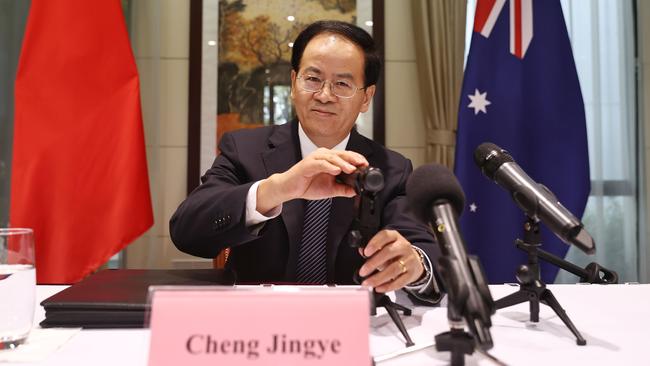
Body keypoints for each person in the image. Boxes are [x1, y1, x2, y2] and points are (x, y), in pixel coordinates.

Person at [170, 20, 441, 303]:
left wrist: (415, 266)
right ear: (293, 83)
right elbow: (186, 232)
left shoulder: (391, 169)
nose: (324, 95)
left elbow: (423, 252)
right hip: (257, 323)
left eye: (342, 84)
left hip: (350, 327)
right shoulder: (244, 149)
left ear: (366, 98)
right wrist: (275, 190)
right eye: (313, 79)